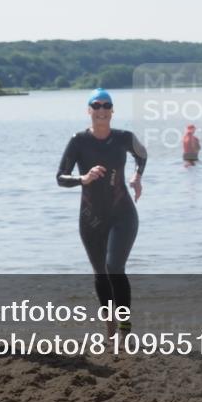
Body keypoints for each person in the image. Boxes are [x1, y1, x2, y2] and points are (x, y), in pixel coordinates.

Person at [56, 89, 146, 339]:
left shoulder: (124, 138)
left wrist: (137, 176)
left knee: (114, 266)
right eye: (96, 105)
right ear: (89, 110)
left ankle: (125, 330)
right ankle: (110, 329)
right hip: (90, 217)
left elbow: (142, 154)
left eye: (107, 105)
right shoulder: (78, 141)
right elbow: (60, 178)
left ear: (112, 111)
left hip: (123, 214)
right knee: (100, 273)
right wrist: (82, 178)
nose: (102, 110)